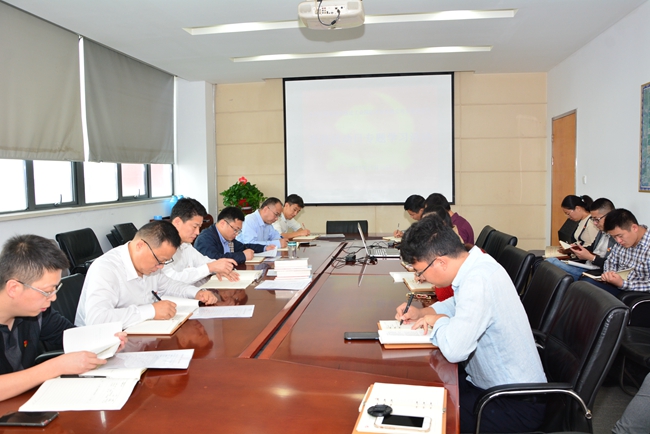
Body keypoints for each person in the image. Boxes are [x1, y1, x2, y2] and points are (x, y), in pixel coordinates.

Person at [395, 215, 546, 433]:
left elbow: (455, 350)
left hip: (512, 402)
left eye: (421, 272)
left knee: (424, 418)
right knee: (421, 397)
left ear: (440, 262)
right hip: (492, 387)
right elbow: (456, 304)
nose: (422, 277)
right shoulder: (475, 265)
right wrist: (422, 312)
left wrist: (438, 321)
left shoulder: (478, 280)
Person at [0, 235, 126, 401]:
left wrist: (107, 342)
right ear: (13, 288)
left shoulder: (39, 312)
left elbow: (71, 336)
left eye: (55, 289)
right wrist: (56, 366)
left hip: (25, 401)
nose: (53, 298)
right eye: (47, 291)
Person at [75, 220, 218, 328]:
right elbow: (97, 319)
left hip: (136, 332)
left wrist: (196, 293)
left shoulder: (150, 267)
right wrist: (151, 310)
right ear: (140, 246)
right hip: (99, 346)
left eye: (165, 262)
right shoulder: (106, 268)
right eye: (159, 260)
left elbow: (169, 285)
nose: (160, 266)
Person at [165, 198, 239, 285]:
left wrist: (219, 268)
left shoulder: (186, 245)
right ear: (177, 222)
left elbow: (203, 261)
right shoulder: (161, 246)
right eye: (194, 226)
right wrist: (210, 268)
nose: (197, 232)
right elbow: (171, 280)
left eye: (199, 227)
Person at [583, 208, 650, 297]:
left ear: (634, 228)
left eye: (620, 236)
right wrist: (610, 275)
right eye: (614, 237)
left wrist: (622, 284)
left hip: (635, 293)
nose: (618, 241)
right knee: (584, 285)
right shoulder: (622, 241)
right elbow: (610, 261)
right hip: (616, 286)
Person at [546, 198, 616, 280]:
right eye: (593, 219)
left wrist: (591, 257)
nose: (594, 223)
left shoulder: (616, 237)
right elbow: (592, 248)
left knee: (550, 262)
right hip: (587, 266)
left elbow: (613, 265)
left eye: (597, 219)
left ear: (609, 216)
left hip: (596, 272)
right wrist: (575, 249)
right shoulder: (602, 232)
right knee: (547, 263)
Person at [194, 206, 273, 264]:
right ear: (222, 223)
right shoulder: (205, 238)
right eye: (235, 229)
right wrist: (243, 256)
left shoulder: (228, 238)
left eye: (238, 231)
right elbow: (214, 259)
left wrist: (264, 248)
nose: (236, 234)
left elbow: (244, 247)